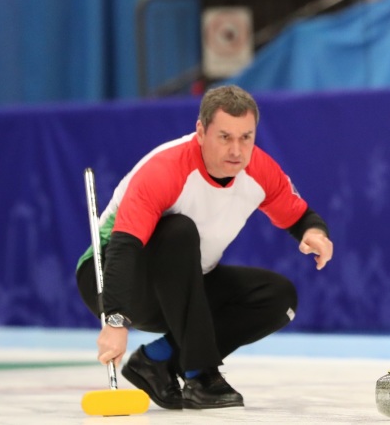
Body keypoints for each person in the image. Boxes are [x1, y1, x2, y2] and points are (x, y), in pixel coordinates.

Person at [75, 85, 334, 410]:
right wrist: (115, 321)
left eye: (246, 138)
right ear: (201, 132)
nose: (237, 150)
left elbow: (299, 216)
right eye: (225, 137)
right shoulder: (165, 169)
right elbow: (124, 247)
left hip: (184, 284)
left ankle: (157, 360)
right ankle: (200, 375)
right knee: (179, 231)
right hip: (112, 277)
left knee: (279, 298)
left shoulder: (258, 170)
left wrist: (314, 233)